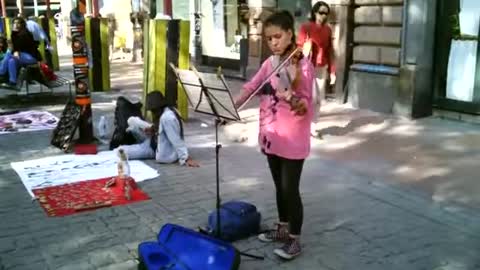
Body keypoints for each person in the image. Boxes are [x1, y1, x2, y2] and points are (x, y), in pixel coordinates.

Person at [234, 10, 314, 260]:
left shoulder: (303, 65)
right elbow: (251, 86)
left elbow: (305, 105)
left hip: (292, 139)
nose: (273, 43)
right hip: (271, 135)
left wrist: (291, 97)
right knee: (279, 187)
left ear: (290, 34)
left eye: (277, 37)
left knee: (291, 190)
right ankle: (282, 228)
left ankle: (295, 240)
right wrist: (231, 105)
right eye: (268, 39)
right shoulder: (270, 64)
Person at [115, 91, 199, 167]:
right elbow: (161, 129)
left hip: (154, 148)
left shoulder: (167, 118)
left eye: (153, 110)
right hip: (154, 138)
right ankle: (137, 144)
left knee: (120, 151)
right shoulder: (166, 110)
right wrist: (153, 129)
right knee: (132, 120)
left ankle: (138, 148)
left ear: (158, 107)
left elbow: (176, 139)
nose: (152, 113)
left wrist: (185, 158)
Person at [297, 1, 336, 137]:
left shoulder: (328, 30)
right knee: (311, 97)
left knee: (319, 100)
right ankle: (302, 124)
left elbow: (330, 51)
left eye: (326, 13)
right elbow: (298, 48)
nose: (323, 16)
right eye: (321, 12)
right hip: (308, 66)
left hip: (322, 67)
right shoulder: (306, 27)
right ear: (315, 13)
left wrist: (332, 71)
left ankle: (312, 128)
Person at [0, 17, 42, 88]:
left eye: (18, 23)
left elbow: (18, 47)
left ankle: (1, 71)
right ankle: (12, 82)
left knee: (9, 54)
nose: (16, 25)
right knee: (11, 61)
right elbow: (15, 48)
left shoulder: (25, 34)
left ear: (22, 24)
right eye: (14, 23)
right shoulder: (15, 33)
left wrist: (15, 50)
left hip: (31, 57)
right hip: (22, 57)